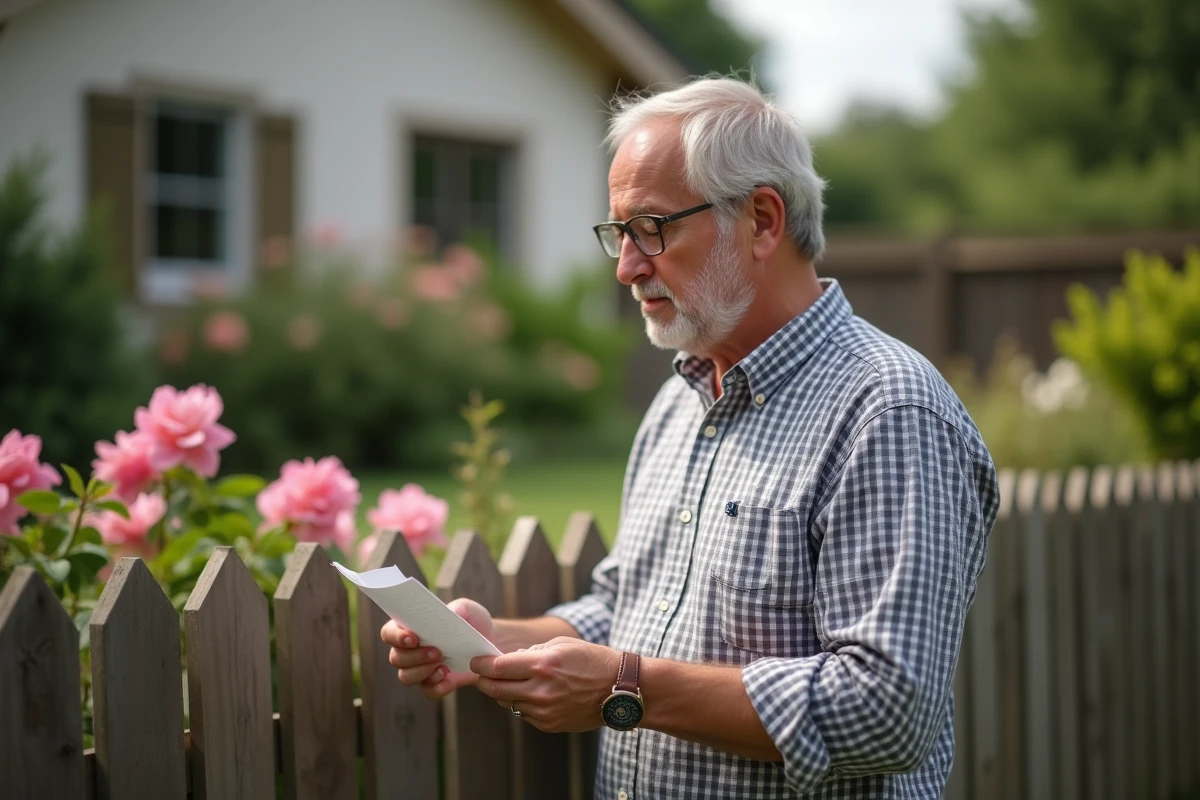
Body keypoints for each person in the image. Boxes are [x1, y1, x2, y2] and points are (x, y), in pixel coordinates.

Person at [382, 76, 999, 799]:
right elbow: (631, 609)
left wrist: (629, 688)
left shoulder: (889, 411)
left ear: (763, 220)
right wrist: (494, 641)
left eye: (652, 227)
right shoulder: (679, 403)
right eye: (619, 232)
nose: (626, 265)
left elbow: (889, 713)